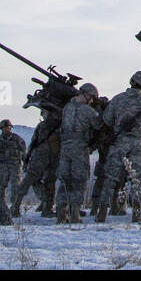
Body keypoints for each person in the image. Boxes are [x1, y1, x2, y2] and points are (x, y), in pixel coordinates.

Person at [95, 72, 141, 223]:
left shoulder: (118, 99)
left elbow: (107, 120)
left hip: (120, 141)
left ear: (131, 81)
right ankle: (136, 213)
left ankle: (102, 212)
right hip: (138, 144)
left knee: (110, 177)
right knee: (137, 178)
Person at [55, 84, 104, 223]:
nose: (92, 101)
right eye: (92, 97)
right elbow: (98, 125)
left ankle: (61, 213)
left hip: (65, 148)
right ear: (86, 94)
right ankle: (75, 214)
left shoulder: (67, 108)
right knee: (79, 181)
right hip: (79, 149)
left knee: (64, 181)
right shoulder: (87, 111)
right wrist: (100, 109)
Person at [12, 107, 59, 218]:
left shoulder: (44, 125)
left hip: (46, 154)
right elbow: (34, 142)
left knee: (39, 180)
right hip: (47, 154)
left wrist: (28, 158)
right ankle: (17, 206)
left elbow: (33, 142)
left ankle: (17, 206)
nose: (43, 115)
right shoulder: (55, 125)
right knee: (36, 180)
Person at [0, 119, 25, 210]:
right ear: (1, 129)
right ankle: (1, 207)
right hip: (2, 166)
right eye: (4, 128)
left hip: (15, 165)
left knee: (15, 187)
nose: (7, 129)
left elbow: (24, 151)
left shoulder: (17, 139)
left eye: (8, 127)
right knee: (1, 187)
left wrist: (21, 158)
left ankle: (15, 208)